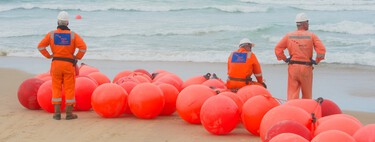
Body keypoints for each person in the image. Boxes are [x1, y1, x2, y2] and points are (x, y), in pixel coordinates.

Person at [37, 11, 87, 120]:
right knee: (69, 89)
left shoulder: (51, 34)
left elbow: (40, 46)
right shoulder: (73, 35)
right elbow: (83, 47)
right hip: (69, 65)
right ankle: (69, 114)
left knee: (56, 88)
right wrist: (76, 57)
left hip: (56, 65)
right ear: (67, 23)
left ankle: (57, 114)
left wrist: (48, 56)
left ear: (58, 22)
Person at [274, 13, 326, 100]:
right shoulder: (311, 36)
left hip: (293, 67)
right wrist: (317, 60)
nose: (308, 24)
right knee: (307, 96)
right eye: (308, 22)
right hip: (306, 68)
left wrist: (285, 59)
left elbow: (277, 49)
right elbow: (321, 50)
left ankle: (292, 111)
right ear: (304, 23)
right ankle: (305, 111)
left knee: (292, 95)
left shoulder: (289, 35)